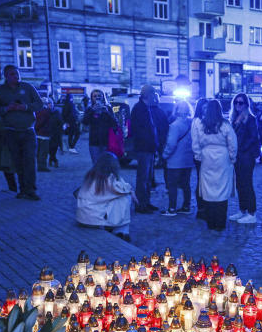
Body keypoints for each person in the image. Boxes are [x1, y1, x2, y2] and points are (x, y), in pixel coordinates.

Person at [0, 64, 42, 200]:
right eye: (12, 74)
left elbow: (39, 104)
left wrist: (26, 107)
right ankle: (22, 189)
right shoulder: (0, 91)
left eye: (17, 74)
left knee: (30, 160)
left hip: (28, 131)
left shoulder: (28, 87)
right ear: (6, 76)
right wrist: (7, 108)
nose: (16, 76)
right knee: (17, 162)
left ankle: (31, 190)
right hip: (11, 132)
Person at [192, 99, 237, 231]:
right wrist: (232, 157)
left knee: (208, 189)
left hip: (207, 158)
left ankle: (210, 221)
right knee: (222, 189)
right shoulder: (225, 125)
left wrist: (199, 156)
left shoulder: (201, 125)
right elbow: (232, 143)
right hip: (222, 158)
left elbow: (195, 143)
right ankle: (220, 222)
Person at [75, 152, 134, 240]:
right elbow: (122, 189)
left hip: (83, 217)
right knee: (124, 199)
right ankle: (122, 231)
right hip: (95, 220)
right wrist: (131, 191)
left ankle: (119, 229)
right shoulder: (108, 179)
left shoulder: (91, 176)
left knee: (117, 198)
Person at [130, 85, 169, 213]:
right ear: (148, 94)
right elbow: (139, 130)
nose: (155, 97)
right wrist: (150, 141)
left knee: (147, 178)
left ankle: (146, 202)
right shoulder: (139, 108)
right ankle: (141, 204)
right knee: (142, 177)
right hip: (144, 148)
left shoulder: (146, 108)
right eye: (154, 94)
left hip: (150, 148)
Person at [228, 93, 261, 224]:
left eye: (240, 103)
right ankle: (242, 210)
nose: (238, 105)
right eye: (236, 102)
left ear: (246, 104)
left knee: (247, 184)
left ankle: (252, 213)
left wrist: (241, 148)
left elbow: (254, 137)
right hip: (238, 155)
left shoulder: (250, 119)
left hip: (246, 155)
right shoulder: (235, 118)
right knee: (240, 184)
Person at [162, 100, 195, 216]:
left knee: (172, 185)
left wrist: (165, 155)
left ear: (176, 110)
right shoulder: (192, 125)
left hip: (175, 160)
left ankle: (171, 209)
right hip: (188, 160)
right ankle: (186, 207)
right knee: (186, 184)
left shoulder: (175, 126)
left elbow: (171, 144)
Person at [35, 97, 63, 171]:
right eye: (48, 103)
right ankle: (42, 166)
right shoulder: (47, 112)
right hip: (45, 134)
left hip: (40, 133)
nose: (49, 105)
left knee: (40, 151)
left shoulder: (37, 111)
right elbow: (43, 122)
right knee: (43, 151)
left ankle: (41, 165)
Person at [192, 98, 209, 218]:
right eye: (204, 107)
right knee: (201, 182)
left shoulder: (207, 120)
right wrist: (198, 155)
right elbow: (195, 141)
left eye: (207, 107)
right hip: (200, 157)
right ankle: (201, 208)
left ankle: (206, 206)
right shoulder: (197, 121)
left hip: (208, 156)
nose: (206, 109)